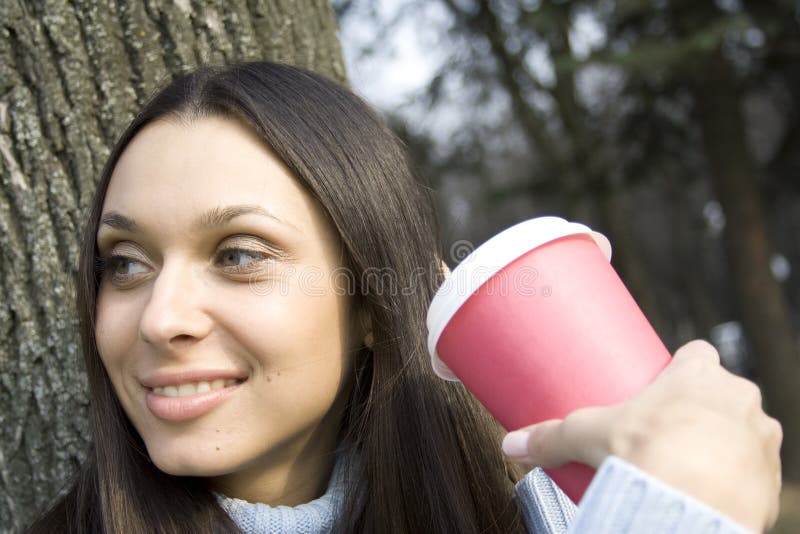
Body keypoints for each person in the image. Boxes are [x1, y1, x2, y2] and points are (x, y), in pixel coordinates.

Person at [29, 61, 781, 534]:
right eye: (124, 264)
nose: (160, 319)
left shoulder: (549, 516)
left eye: (238, 255)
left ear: (370, 303)